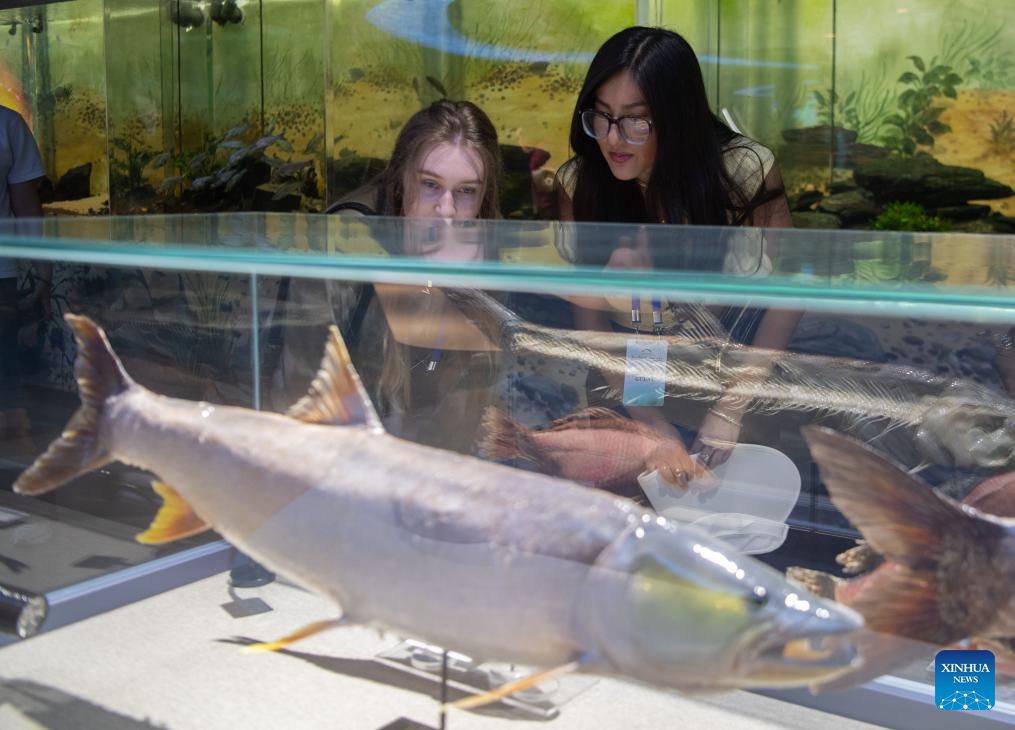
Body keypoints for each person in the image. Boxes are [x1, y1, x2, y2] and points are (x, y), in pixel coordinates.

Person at [555, 26, 801, 475]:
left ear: (678, 117)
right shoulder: (581, 183)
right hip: (623, 380)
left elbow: (791, 292)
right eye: (602, 116)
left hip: (734, 376)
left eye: (636, 120)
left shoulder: (743, 172)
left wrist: (731, 408)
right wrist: (654, 427)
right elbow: (591, 329)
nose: (612, 139)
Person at [269, 99, 504, 449]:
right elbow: (299, 395)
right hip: (331, 451)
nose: (447, 211)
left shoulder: (484, 239)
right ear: (401, 179)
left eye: (466, 191)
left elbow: (470, 401)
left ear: (484, 196)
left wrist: (452, 291)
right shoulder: (343, 247)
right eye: (430, 185)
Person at [0, 105, 47, 444]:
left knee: (6, 376)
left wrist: (44, 275)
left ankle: (17, 482)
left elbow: (27, 208)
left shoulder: (7, 124)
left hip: (1, 276)